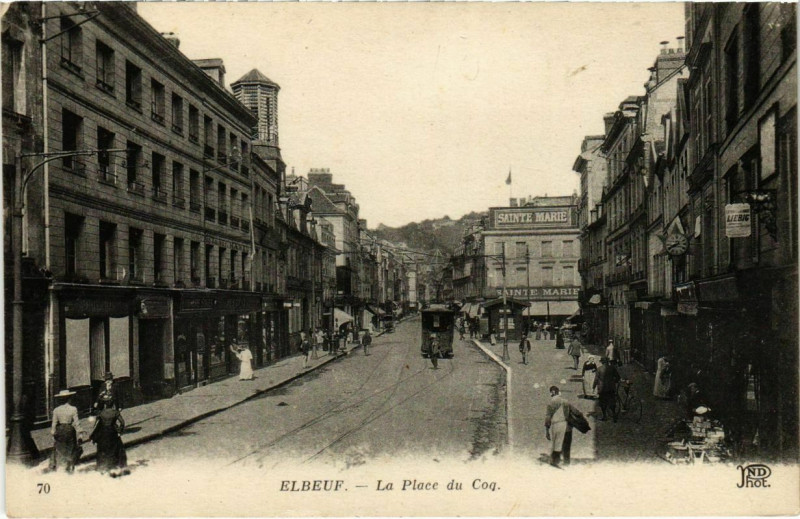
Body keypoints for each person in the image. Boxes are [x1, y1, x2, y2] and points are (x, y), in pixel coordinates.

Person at [90, 398, 128, 476]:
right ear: (113, 404)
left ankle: (103, 467)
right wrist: (119, 431)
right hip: (112, 432)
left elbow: (96, 425)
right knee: (116, 449)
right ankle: (115, 466)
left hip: (103, 433)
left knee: (103, 449)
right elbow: (122, 422)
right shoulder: (115, 412)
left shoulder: (101, 413)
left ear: (105, 404)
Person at [50, 390, 84, 473]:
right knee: (71, 449)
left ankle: (60, 468)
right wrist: (80, 433)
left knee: (60, 449)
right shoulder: (73, 409)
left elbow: (54, 423)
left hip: (60, 430)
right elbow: (76, 423)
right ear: (69, 399)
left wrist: (53, 434)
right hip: (69, 430)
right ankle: (70, 468)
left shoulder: (56, 410)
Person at [544, 386, 573, 466]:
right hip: (565, 424)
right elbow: (568, 415)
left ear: (552, 392)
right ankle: (567, 462)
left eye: (550, 392)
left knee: (557, 443)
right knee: (566, 443)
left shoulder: (551, 402)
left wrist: (547, 430)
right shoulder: (565, 401)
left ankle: (555, 461)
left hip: (556, 425)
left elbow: (548, 417)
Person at [593, 357, 621, 422]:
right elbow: (618, 377)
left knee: (603, 402)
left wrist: (593, 387)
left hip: (602, 389)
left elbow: (596, 379)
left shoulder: (599, 369)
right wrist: (614, 381)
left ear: (602, 362)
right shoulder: (612, 368)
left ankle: (605, 416)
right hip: (611, 388)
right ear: (608, 361)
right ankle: (614, 416)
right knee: (612, 401)